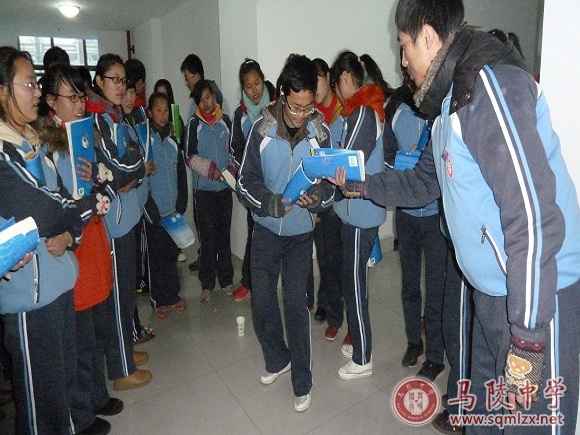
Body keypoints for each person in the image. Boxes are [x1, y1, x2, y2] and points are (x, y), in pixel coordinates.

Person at [333, 0, 580, 433]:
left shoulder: (488, 88)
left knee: (531, 424)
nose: (402, 60)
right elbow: (422, 182)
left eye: (404, 46)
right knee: (483, 419)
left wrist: (527, 338)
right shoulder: (449, 104)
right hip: (492, 295)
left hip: (537, 300)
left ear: (428, 37)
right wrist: (362, 185)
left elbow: (532, 215)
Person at [238, 53, 334, 412]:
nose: (300, 115)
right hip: (265, 231)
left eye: (308, 108)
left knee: (295, 304)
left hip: (299, 236)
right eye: (295, 107)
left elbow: (331, 187)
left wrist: (318, 198)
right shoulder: (260, 130)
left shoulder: (319, 133)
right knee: (262, 302)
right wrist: (268, 202)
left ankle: (302, 380)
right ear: (281, 94)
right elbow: (245, 182)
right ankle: (278, 359)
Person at [0, 46, 81, 434]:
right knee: (41, 408)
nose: (36, 92)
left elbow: (68, 202)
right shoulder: (4, 154)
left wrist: (69, 229)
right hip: (29, 299)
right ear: (3, 91)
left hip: (58, 282)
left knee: (61, 390)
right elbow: (44, 208)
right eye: (28, 84)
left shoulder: (35, 142)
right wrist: (69, 213)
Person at [36, 64, 120, 435]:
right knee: (80, 339)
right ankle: (82, 414)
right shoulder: (46, 149)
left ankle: (97, 396)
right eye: (71, 97)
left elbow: (107, 183)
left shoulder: (84, 136)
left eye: (81, 96)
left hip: (94, 242)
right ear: (51, 102)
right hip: (72, 251)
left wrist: (98, 185)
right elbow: (62, 206)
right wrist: (93, 200)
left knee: (97, 330)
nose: (80, 104)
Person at [86, 53, 153, 392]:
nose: (120, 85)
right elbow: (119, 169)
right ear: (99, 81)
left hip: (126, 217)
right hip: (112, 223)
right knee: (116, 297)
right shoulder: (96, 121)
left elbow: (130, 165)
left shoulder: (115, 118)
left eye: (123, 80)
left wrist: (131, 170)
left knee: (126, 295)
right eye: (113, 79)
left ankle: (125, 351)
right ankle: (121, 368)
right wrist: (133, 169)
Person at [383, 63, 447, 380]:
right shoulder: (396, 111)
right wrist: (403, 161)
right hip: (407, 216)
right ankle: (414, 342)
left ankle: (435, 355)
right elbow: (386, 158)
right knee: (410, 285)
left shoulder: (441, 109)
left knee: (435, 290)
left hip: (435, 216)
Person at [329, 50, 389, 381]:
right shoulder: (358, 111)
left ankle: (363, 355)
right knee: (354, 280)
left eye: (337, 85)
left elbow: (348, 161)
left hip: (360, 213)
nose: (337, 93)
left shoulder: (364, 111)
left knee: (353, 282)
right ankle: (358, 340)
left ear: (346, 78)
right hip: (354, 211)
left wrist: (326, 166)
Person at [229, 58, 276, 303]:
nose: (255, 90)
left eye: (257, 83)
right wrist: (248, 177)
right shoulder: (240, 115)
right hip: (256, 187)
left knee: (284, 235)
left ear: (263, 80)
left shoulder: (278, 106)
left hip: (278, 181)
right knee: (256, 234)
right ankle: (249, 281)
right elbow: (235, 151)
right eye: (248, 86)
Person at [185, 79, 234, 303]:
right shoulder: (193, 124)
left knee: (224, 237)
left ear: (214, 96)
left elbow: (234, 152)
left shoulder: (226, 121)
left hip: (224, 190)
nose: (206, 103)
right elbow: (189, 156)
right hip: (203, 192)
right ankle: (207, 284)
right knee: (208, 239)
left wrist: (230, 171)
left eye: (208, 97)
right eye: (201, 100)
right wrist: (211, 170)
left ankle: (226, 280)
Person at [119, 77, 157, 346]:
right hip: (124, 211)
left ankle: (133, 328)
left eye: (132, 91)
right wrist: (140, 172)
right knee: (127, 276)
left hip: (138, 203)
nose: (130, 97)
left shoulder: (135, 120)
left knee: (132, 272)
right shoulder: (116, 125)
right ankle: (130, 332)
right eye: (125, 91)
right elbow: (124, 176)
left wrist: (144, 170)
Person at [145, 91, 188, 318]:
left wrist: (181, 203)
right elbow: (143, 181)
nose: (162, 115)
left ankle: (173, 295)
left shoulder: (173, 142)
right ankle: (158, 298)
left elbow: (181, 175)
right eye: (158, 110)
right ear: (150, 113)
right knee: (156, 257)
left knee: (172, 254)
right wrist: (150, 209)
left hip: (173, 212)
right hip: (154, 213)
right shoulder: (146, 142)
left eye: (165, 111)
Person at [180, 53, 223, 273]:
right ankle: (206, 261)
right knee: (204, 226)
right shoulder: (193, 104)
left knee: (213, 229)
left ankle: (212, 263)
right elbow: (190, 151)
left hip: (215, 182)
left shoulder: (214, 103)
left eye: (188, 76)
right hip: (202, 178)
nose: (186, 81)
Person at [310, 58, 344, 338]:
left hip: (341, 196)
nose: (315, 88)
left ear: (328, 78)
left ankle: (336, 313)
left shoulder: (342, 110)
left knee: (335, 257)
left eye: (318, 81)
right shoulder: (312, 114)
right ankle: (325, 301)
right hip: (319, 193)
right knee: (323, 254)